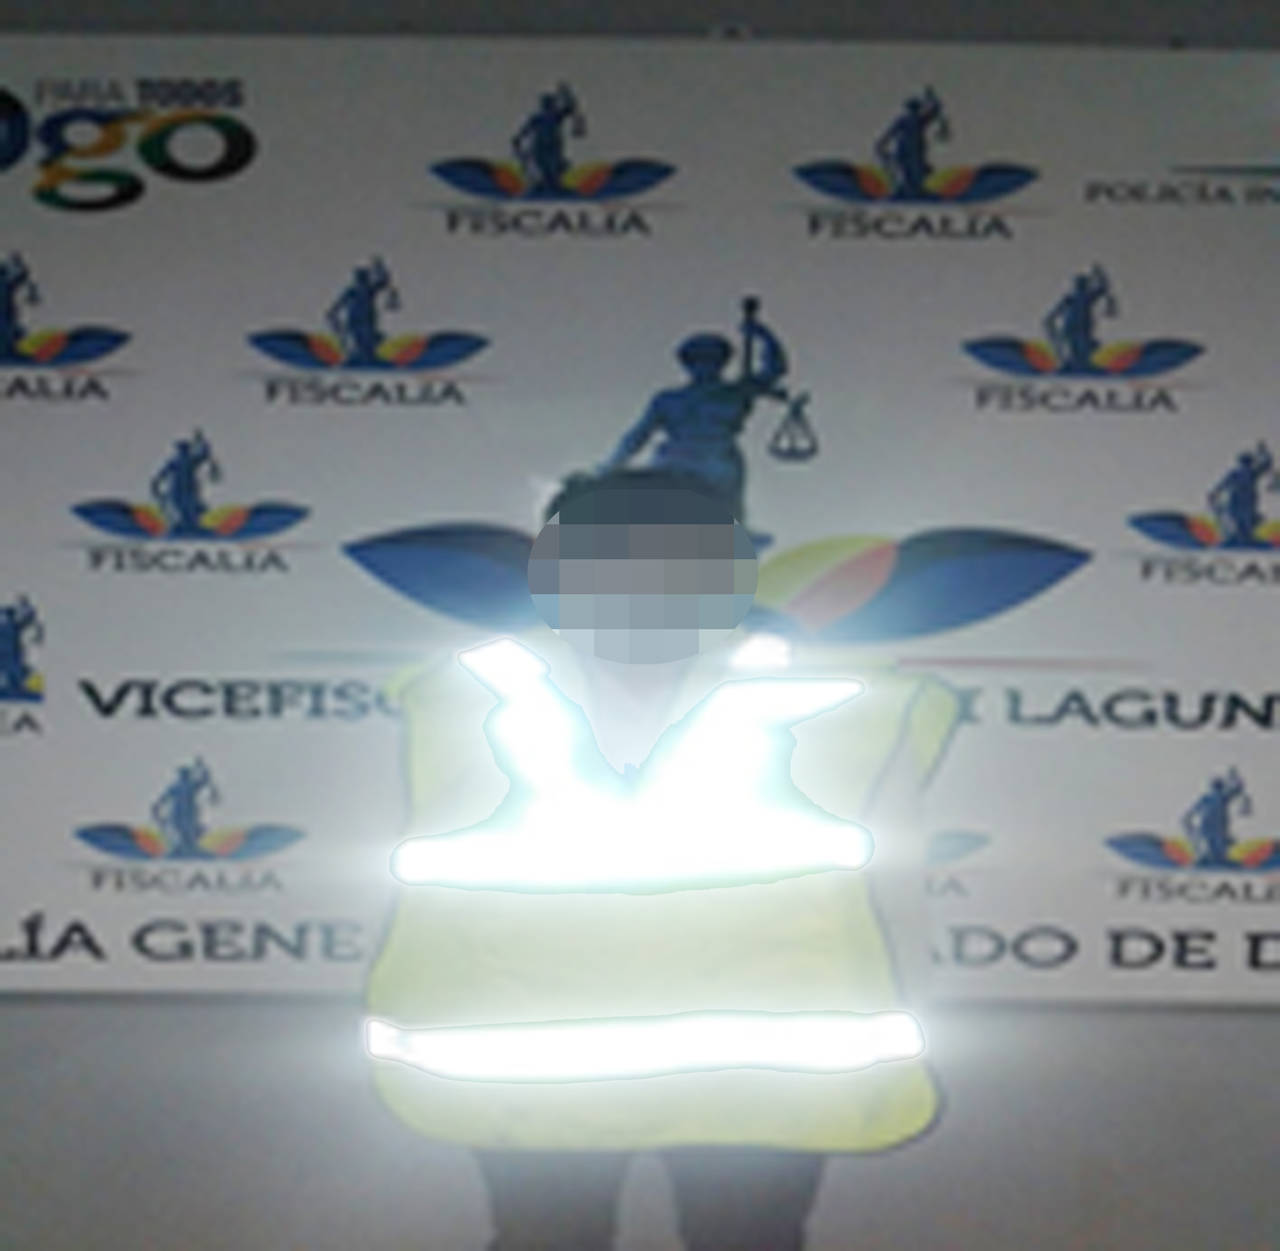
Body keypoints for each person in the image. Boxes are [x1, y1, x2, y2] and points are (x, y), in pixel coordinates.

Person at [366, 475, 961, 1250]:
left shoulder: (462, 698)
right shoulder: (461, 696)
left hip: (678, 1067)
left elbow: (895, 896)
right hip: (622, 1065)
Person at [598, 299, 788, 528]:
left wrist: (762, 334)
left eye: (711, 361)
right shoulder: (669, 399)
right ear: (688, 365)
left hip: (715, 463)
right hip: (675, 462)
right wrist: (609, 466)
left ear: (721, 364)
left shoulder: (735, 392)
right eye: (699, 361)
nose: (704, 367)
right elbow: (637, 436)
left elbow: (775, 369)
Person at [874, 87, 948, 198]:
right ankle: (906, 190)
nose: (913, 111)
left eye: (915, 109)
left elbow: (935, 110)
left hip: (915, 149)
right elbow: (891, 132)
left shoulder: (919, 119)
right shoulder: (908, 120)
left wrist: (931, 98)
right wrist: (881, 143)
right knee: (907, 169)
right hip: (906, 148)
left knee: (916, 170)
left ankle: (915, 190)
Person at [512, 83, 583, 194]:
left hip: (552, 147)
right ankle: (543, 185)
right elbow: (526, 130)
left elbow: (569, 108)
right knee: (543, 167)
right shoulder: (539, 118)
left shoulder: (555, 116)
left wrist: (566, 94)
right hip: (541, 147)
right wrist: (518, 139)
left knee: (553, 167)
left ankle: (553, 185)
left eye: (550, 104)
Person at [1043, 265, 1115, 373]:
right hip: (1071, 328)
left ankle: (1081, 365)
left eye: (1082, 284)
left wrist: (1099, 273)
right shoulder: (1071, 299)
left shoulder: (1086, 297)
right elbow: (1055, 312)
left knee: (1082, 349)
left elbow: (1103, 287)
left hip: (1081, 329)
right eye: (1078, 284)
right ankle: (1072, 365)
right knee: (1075, 349)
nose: (1079, 287)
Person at [326, 258, 398, 366]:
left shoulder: (369, 290)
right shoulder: (352, 292)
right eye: (360, 278)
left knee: (369, 342)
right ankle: (359, 358)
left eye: (364, 278)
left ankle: (369, 357)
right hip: (355, 322)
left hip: (368, 322)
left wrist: (379, 266)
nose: (361, 282)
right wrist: (336, 325)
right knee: (361, 342)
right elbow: (334, 309)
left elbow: (384, 281)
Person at [150, 430, 219, 534]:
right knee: (185, 510)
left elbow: (204, 455)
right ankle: (184, 527)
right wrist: (202, 442)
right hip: (180, 491)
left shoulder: (185, 460)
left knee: (192, 510)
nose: (183, 453)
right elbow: (204, 454)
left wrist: (202, 442)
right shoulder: (180, 461)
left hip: (186, 491)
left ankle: (190, 526)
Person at [1181, 768, 1250, 866]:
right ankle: (1209, 859)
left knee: (1215, 851)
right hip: (1211, 829)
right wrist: (1234, 777)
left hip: (1214, 830)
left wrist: (1234, 777)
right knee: (1211, 851)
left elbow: (1238, 789)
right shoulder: (1216, 797)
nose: (1216, 789)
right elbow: (1238, 788)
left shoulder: (1215, 797)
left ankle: (1212, 859)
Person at [1209, 442, 1274, 545]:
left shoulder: (1239, 473)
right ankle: (1241, 539)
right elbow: (1266, 464)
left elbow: (1223, 484)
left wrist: (1214, 493)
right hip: (1244, 503)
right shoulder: (1251, 473)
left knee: (1240, 524)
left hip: (1239, 503)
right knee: (1243, 525)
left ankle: (1241, 539)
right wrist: (1263, 452)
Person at [151, 759, 217, 857]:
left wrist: (202, 767)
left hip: (187, 814)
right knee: (182, 832)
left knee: (187, 832)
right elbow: (164, 798)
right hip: (180, 814)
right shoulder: (179, 786)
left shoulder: (188, 785)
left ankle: (188, 848)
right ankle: (184, 848)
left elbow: (205, 780)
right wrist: (202, 767)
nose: (184, 776)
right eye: (183, 774)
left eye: (185, 774)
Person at [0, 595, 40, 698]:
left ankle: (17, 684)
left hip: (14, 653)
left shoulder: (15, 623)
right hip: (9, 653)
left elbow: (29, 622)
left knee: (15, 670)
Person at [0, 251, 37, 361]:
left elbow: (24, 279)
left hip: (7, 309)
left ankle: (10, 347)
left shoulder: (9, 276)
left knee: (10, 324)